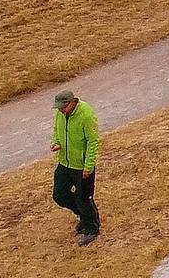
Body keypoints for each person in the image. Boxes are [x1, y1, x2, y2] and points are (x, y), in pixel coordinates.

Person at [48, 91, 100, 246]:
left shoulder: (86, 114)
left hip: (81, 165)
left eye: (63, 107)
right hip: (64, 162)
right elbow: (57, 130)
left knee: (83, 197)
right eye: (59, 108)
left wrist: (88, 166)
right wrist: (56, 142)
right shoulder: (60, 114)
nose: (60, 111)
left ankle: (92, 228)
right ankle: (84, 216)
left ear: (72, 102)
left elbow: (93, 142)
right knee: (59, 195)